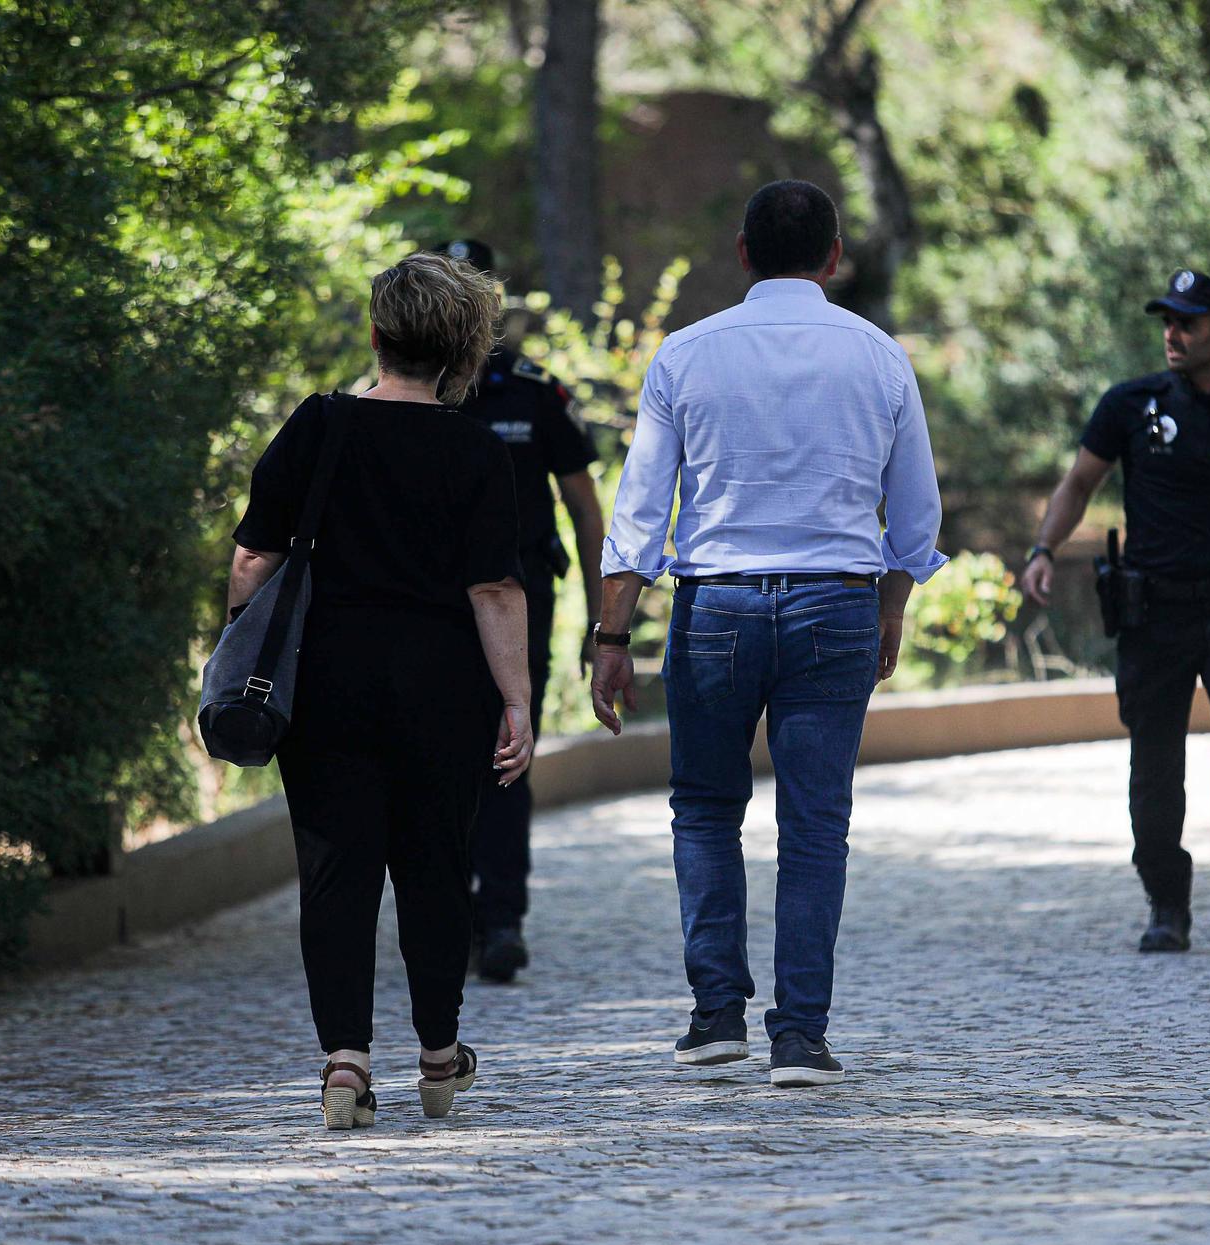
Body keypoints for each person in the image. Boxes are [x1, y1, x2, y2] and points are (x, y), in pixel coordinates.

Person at [589, 179, 945, 1088]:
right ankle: (801, 1036)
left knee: (706, 809)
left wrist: (612, 635)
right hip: (836, 606)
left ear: (741, 253)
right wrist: (890, 608)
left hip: (716, 608)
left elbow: (639, 514)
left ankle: (716, 1016)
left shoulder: (685, 355)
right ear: (833, 259)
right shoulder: (879, 357)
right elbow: (914, 518)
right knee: (816, 824)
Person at [229, 252, 535, 1130]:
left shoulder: (319, 425)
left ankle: (345, 1064)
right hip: (442, 687)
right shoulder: (473, 447)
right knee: (436, 868)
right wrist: (516, 700)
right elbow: (495, 589)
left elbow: (255, 556)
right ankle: (438, 1057)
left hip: (326, 682)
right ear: (460, 350)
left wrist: (245, 653)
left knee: (335, 872)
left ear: (376, 335)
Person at [1024, 269, 1210, 955]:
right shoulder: (1130, 405)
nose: (1173, 333)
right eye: (1167, 321)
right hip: (1155, 615)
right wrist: (1042, 549)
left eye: (1188, 321)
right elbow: (1079, 483)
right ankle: (1167, 903)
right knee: (1154, 766)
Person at [438, 238, 606, 985]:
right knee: (438, 755)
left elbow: (584, 508)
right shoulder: (402, 390)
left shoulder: (534, 391)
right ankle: (448, 911)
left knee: (508, 748)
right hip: (426, 605)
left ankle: (501, 915)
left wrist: (606, 623)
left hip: (521, 597)